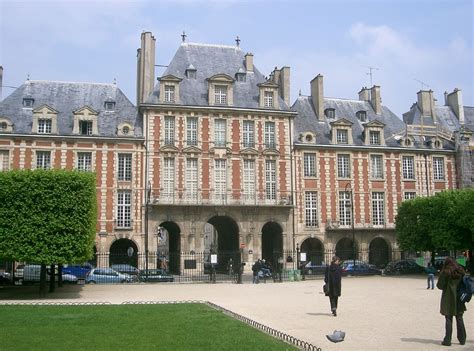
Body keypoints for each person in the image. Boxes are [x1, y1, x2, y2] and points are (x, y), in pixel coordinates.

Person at [436, 257, 467, 346]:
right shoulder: (460, 271)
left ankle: (447, 340)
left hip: (448, 298)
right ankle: (462, 339)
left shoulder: (446, 272)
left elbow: (440, 286)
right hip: (459, 297)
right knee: (459, 318)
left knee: (448, 319)